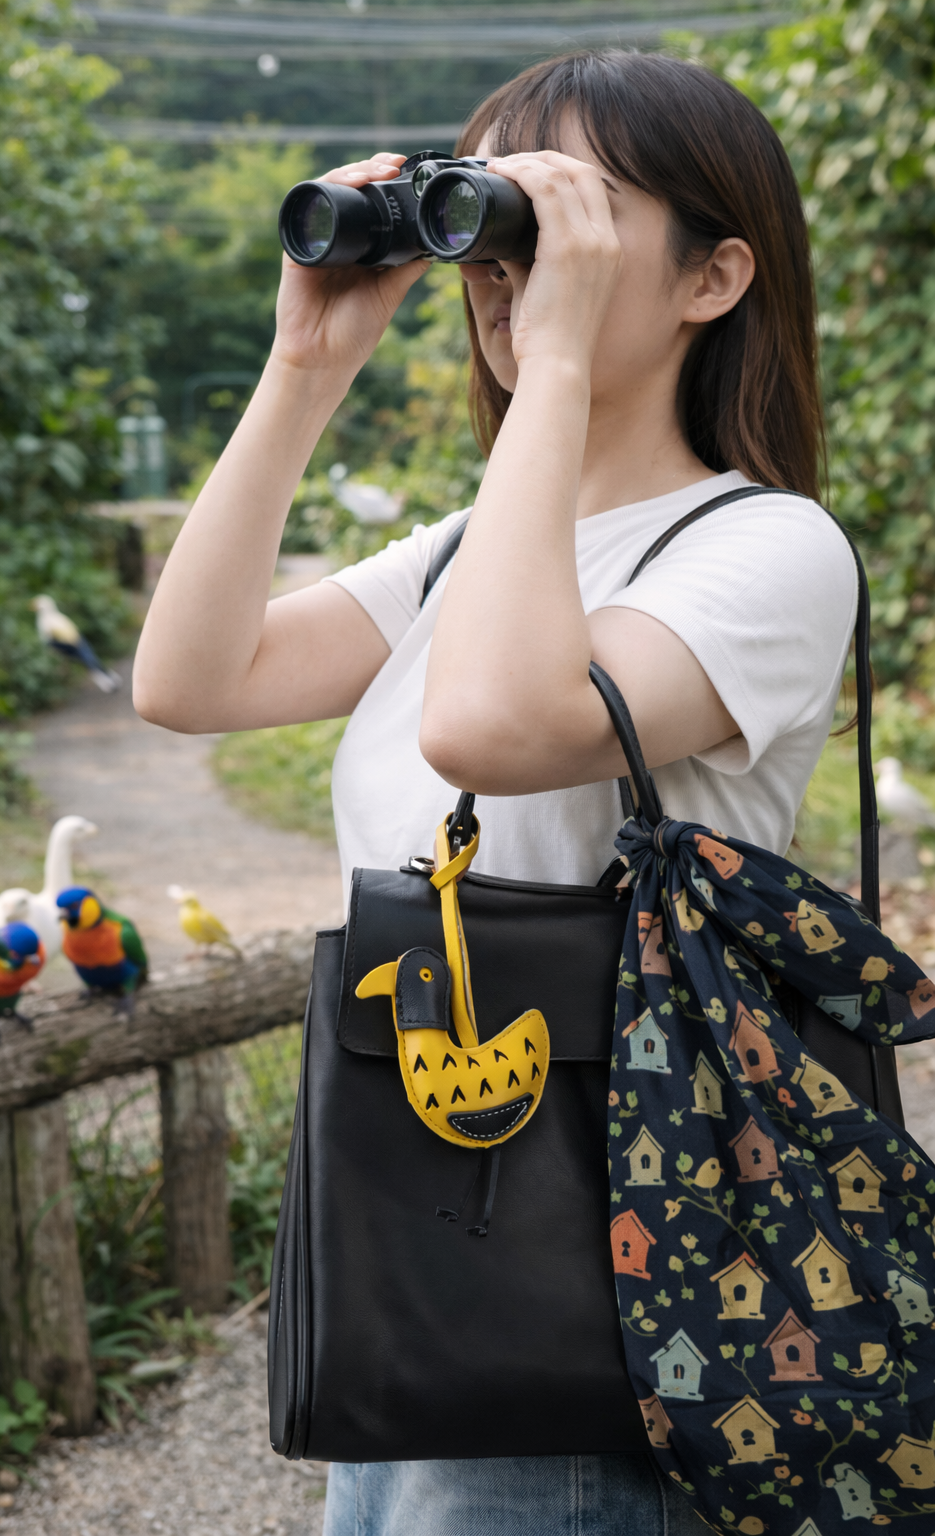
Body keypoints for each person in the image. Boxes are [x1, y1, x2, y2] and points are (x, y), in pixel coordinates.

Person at [134, 48, 856, 1536]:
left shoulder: (769, 551)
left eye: (564, 214)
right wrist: (307, 364)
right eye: (495, 212)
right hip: (416, 1230)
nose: (510, 264)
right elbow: (190, 681)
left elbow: (492, 725)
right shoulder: (470, 549)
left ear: (715, 277)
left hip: (604, 1251)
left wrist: (569, 358)